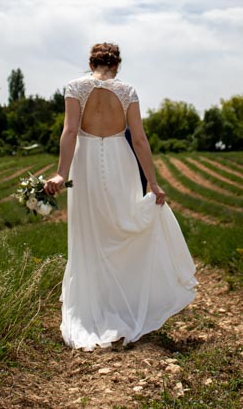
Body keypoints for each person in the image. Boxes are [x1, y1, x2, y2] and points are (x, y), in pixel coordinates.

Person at [44, 43, 198, 351]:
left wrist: (61, 173)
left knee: (91, 234)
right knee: (120, 225)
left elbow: (70, 132)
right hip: (120, 160)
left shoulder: (75, 87)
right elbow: (139, 139)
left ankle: (94, 304)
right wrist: (153, 183)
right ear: (117, 65)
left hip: (85, 161)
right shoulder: (128, 91)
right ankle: (123, 301)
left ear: (91, 63)